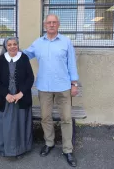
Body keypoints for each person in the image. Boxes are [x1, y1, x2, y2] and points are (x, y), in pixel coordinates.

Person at [23, 14, 79, 167]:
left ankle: (68, 150)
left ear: (58, 25)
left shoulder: (66, 42)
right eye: (49, 22)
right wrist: (12, 50)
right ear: (44, 25)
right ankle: (49, 143)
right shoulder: (38, 43)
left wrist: (74, 84)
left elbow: (72, 63)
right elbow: (26, 54)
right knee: (45, 117)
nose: (52, 25)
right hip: (44, 87)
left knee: (66, 118)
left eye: (54, 22)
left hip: (63, 87)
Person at [0, 37, 34, 158]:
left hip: (21, 97)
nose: (12, 46)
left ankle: (21, 149)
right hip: (4, 98)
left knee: (19, 123)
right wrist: (6, 94)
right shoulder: (1, 59)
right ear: (6, 46)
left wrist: (21, 94)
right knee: (5, 123)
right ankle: (3, 147)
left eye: (15, 44)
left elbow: (30, 78)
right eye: (9, 44)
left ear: (18, 45)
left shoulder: (24, 58)